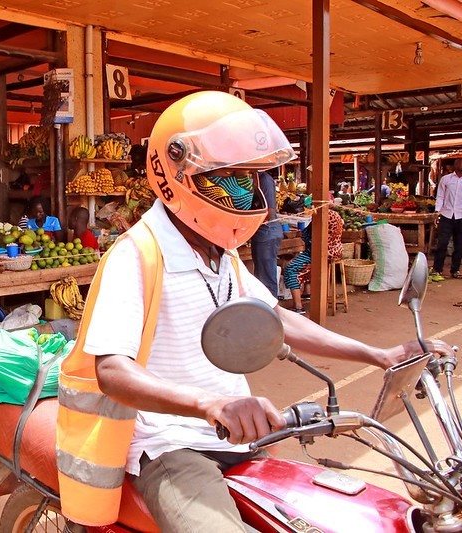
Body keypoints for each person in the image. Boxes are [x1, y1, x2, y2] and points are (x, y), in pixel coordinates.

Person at [55, 92, 451, 532]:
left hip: (242, 437)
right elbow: (112, 371)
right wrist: (211, 403)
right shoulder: (137, 256)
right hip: (173, 445)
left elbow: (278, 319)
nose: (244, 193)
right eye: (228, 178)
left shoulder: (221, 254)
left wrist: (379, 354)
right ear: (175, 170)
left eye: (250, 178)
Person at [282, 209, 344, 314]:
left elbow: (308, 236)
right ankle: (307, 292)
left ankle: (298, 306)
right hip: (335, 251)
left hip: (319, 253)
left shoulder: (321, 217)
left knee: (290, 268)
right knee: (303, 264)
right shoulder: (335, 215)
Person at [249, 170, 282, 297]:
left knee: (266, 277)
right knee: (261, 275)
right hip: (261, 234)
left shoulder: (265, 179)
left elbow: (269, 212)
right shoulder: (255, 178)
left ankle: (271, 311)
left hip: (268, 233)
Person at [432, 159, 462, 279]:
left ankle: (455, 270)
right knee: (442, 243)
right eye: (458, 163)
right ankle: (437, 269)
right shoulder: (446, 179)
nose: (460, 166)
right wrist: (437, 212)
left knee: (459, 245)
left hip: (461, 216)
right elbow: (440, 196)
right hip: (446, 215)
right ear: (454, 166)